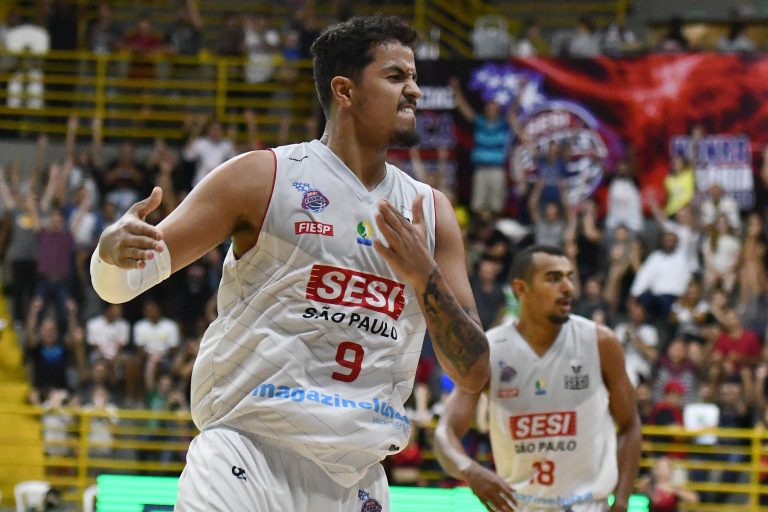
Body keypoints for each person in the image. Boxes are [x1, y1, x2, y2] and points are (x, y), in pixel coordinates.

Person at [91, 15, 490, 511]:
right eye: (395, 77)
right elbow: (120, 284)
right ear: (344, 91)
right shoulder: (263, 177)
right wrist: (109, 250)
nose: (414, 90)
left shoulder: (430, 212)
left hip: (356, 478)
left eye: (413, 77)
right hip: (246, 456)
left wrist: (424, 276)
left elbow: (474, 371)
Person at [434, 245, 641, 512]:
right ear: (521, 289)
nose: (568, 287)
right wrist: (470, 470)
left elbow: (630, 425)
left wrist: (622, 501)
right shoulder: (491, 350)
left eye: (569, 277)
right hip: (519, 505)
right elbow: (445, 433)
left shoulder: (601, 342)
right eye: (553, 278)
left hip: (588, 505)